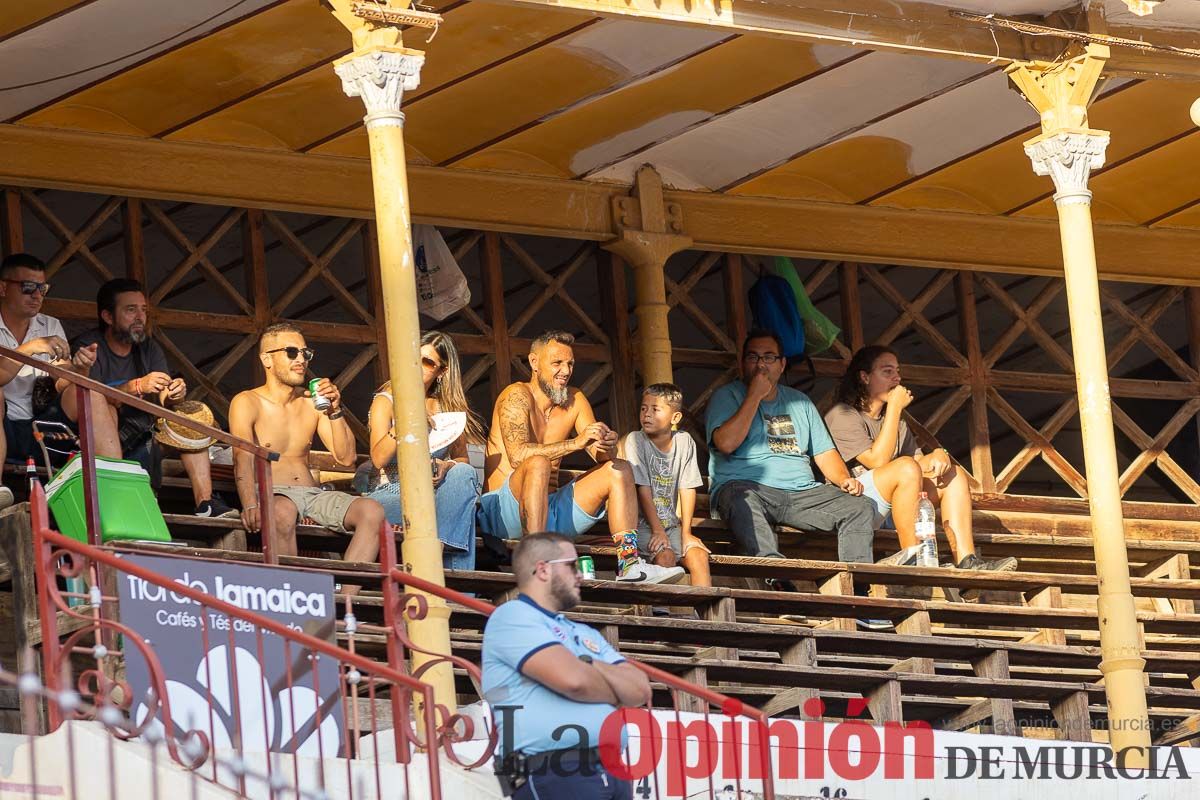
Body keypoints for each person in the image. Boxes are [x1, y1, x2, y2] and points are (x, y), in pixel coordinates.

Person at [479, 330, 683, 584]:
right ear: (534, 363)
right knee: (538, 462)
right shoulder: (515, 396)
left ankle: (629, 564)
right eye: (557, 363)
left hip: (549, 511)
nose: (565, 371)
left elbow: (599, 454)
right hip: (504, 513)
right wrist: (576, 442)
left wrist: (607, 445)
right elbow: (519, 455)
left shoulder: (575, 400)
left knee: (619, 468)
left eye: (570, 364)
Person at [482, 532, 649, 799]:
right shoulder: (511, 615)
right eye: (572, 565)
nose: (580, 574)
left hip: (609, 769)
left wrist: (588, 662)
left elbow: (641, 691)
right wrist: (615, 689)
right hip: (556, 770)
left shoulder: (581, 630)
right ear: (543, 569)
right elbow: (574, 681)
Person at [826, 346, 1016, 572]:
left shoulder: (897, 423)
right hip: (858, 505)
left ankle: (967, 560)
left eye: (897, 372)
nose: (896, 378)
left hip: (897, 505)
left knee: (953, 475)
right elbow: (876, 461)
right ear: (864, 376)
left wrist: (939, 454)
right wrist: (895, 408)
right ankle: (913, 555)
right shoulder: (842, 414)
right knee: (905, 467)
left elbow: (920, 464)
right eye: (887, 372)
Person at [706, 329, 876, 565]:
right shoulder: (727, 396)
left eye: (769, 357)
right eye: (753, 357)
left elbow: (824, 452)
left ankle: (856, 581)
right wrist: (754, 396)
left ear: (782, 364)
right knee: (738, 497)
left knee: (861, 506)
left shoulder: (800, 401)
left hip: (802, 493)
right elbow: (725, 444)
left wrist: (842, 479)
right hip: (748, 490)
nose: (761, 365)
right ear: (742, 363)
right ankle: (773, 571)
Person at [72, 279, 236, 517]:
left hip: (145, 429)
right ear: (108, 316)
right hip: (104, 434)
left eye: (144, 310)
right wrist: (137, 385)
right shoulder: (89, 346)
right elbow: (90, 396)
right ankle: (121, 494)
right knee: (108, 410)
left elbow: (163, 398)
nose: (140, 317)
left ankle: (206, 503)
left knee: (192, 420)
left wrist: (172, 394)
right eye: (131, 310)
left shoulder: (149, 348)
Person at [229, 323, 385, 571]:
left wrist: (335, 410)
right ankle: (293, 594)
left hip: (313, 495)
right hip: (273, 494)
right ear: (267, 359)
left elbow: (346, 458)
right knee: (282, 512)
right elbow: (243, 457)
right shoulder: (247, 401)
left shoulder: (311, 401)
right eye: (292, 352)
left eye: (305, 353)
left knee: (372, 511)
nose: (301, 359)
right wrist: (249, 504)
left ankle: (345, 598)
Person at [0, 253, 119, 505]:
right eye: (28, 287)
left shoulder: (49, 325)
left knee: (89, 393)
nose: (37, 295)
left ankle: (115, 490)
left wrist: (78, 370)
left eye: (42, 288)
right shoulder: (39, 338)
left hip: (40, 428)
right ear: (3, 287)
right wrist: (31, 348)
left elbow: (60, 379)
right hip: (4, 429)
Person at [362, 331, 483, 570]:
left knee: (464, 472)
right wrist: (405, 423)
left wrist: (446, 465)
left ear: (442, 371)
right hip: (393, 492)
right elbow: (377, 459)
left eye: (427, 362)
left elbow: (462, 458)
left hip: (435, 494)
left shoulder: (447, 407)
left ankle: (435, 553)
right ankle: (451, 581)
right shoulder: (386, 401)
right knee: (459, 516)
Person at [620, 383, 711, 587]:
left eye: (655, 409)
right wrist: (657, 530)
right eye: (644, 408)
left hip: (671, 525)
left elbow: (687, 488)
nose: (647, 415)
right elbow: (642, 488)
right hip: (643, 526)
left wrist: (686, 532)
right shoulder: (636, 440)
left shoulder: (685, 441)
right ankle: (663, 614)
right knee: (665, 557)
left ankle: (706, 617)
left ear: (675, 418)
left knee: (698, 556)